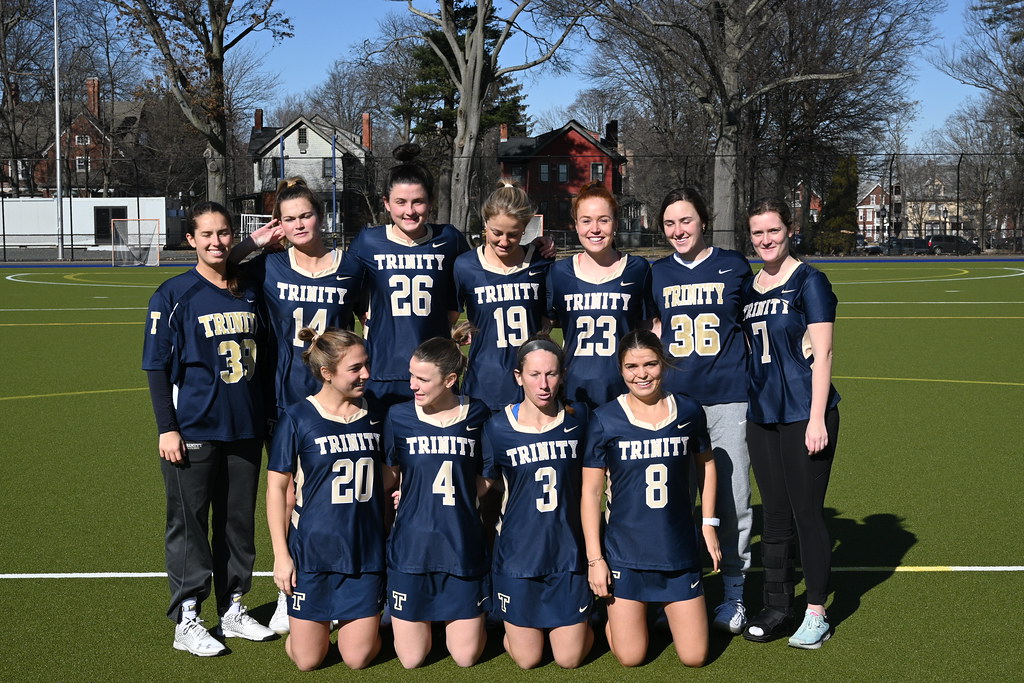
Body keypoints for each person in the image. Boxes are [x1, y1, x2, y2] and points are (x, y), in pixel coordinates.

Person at [143, 202, 276, 656]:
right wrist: (167, 428)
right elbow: (156, 367)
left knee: (238, 523)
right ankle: (188, 617)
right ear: (191, 240)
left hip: (244, 428)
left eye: (224, 233)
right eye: (207, 235)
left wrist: (253, 244)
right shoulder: (174, 293)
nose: (216, 242)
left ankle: (234, 608)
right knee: (191, 524)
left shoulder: (250, 287)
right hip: (194, 427)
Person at [236, 177, 363, 634]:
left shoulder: (351, 266)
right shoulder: (270, 265)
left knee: (336, 496)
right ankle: (292, 593)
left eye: (305, 215)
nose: (299, 224)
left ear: (321, 215)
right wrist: (256, 240)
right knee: (289, 494)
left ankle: (347, 586)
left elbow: (371, 317)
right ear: (279, 225)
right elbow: (225, 263)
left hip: (338, 402)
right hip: (287, 400)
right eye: (288, 219)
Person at [647, 186, 754, 634]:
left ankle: (734, 592)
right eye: (669, 223)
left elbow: (758, 321)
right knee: (672, 501)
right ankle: (671, 590)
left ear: (704, 221)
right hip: (675, 404)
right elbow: (650, 330)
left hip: (727, 397)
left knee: (732, 499)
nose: (678, 230)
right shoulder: (656, 274)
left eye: (686, 220)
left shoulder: (733, 266)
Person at [581, 330, 722, 667]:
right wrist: (595, 559)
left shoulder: (688, 410)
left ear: (663, 363)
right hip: (626, 554)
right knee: (631, 657)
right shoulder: (604, 419)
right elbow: (590, 493)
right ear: (620, 369)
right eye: (631, 366)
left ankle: (651, 612)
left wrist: (708, 524)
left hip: (677, 550)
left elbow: (707, 465)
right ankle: (621, 618)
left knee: (695, 657)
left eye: (650, 364)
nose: (641, 374)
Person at [740, 198, 840, 650]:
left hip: (804, 413)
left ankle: (816, 610)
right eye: (758, 233)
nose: (766, 240)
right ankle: (777, 605)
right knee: (775, 516)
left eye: (773, 231)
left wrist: (817, 417)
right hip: (763, 415)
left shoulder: (809, 281)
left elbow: (824, 354)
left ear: (790, 230)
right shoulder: (749, 285)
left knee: (806, 514)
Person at [266, 327, 391, 670]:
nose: (366, 374)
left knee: (358, 658)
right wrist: (281, 555)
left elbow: (391, 471)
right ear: (327, 373)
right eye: (355, 368)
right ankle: (312, 629)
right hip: (313, 553)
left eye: (365, 365)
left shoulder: (377, 415)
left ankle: (357, 622)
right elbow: (278, 488)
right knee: (307, 661)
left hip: (365, 552)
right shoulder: (297, 417)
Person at [481, 336, 593, 669]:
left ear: (563, 375)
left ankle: (590, 618)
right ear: (518, 376)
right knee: (528, 659)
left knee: (569, 658)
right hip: (518, 557)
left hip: (568, 554)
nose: (543, 384)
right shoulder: (497, 427)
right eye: (534, 375)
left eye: (551, 374)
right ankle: (520, 627)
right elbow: (485, 483)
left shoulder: (579, 419)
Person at [383, 332, 492, 668]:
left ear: (450, 379)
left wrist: (457, 491)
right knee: (412, 659)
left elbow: (487, 479)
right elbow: (389, 476)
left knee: (465, 657)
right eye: (412, 375)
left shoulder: (477, 414)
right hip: (412, 548)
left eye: (423, 379)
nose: (413, 385)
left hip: (460, 546)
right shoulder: (398, 417)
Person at [346, 152, 471, 409]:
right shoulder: (368, 242)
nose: (410, 211)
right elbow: (344, 287)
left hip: (437, 372)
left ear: (431, 202)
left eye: (418, 202)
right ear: (386, 203)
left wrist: (534, 248)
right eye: (400, 202)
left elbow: (483, 269)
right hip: (383, 370)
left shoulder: (449, 239)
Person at [546, 183, 650, 408]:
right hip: (574, 392)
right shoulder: (558, 273)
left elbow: (650, 329)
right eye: (586, 220)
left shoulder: (637, 269)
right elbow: (543, 325)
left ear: (616, 224)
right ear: (575, 225)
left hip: (626, 392)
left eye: (603, 220)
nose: (595, 228)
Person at [454, 180, 552, 411]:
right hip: (483, 384)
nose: (504, 242)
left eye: (514, 234)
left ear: (526, 228)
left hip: (532, 387)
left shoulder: (541, 263)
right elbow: (449, 321)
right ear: (485, 223)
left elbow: (552, 318)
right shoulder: (465, 266)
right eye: (497, 233)